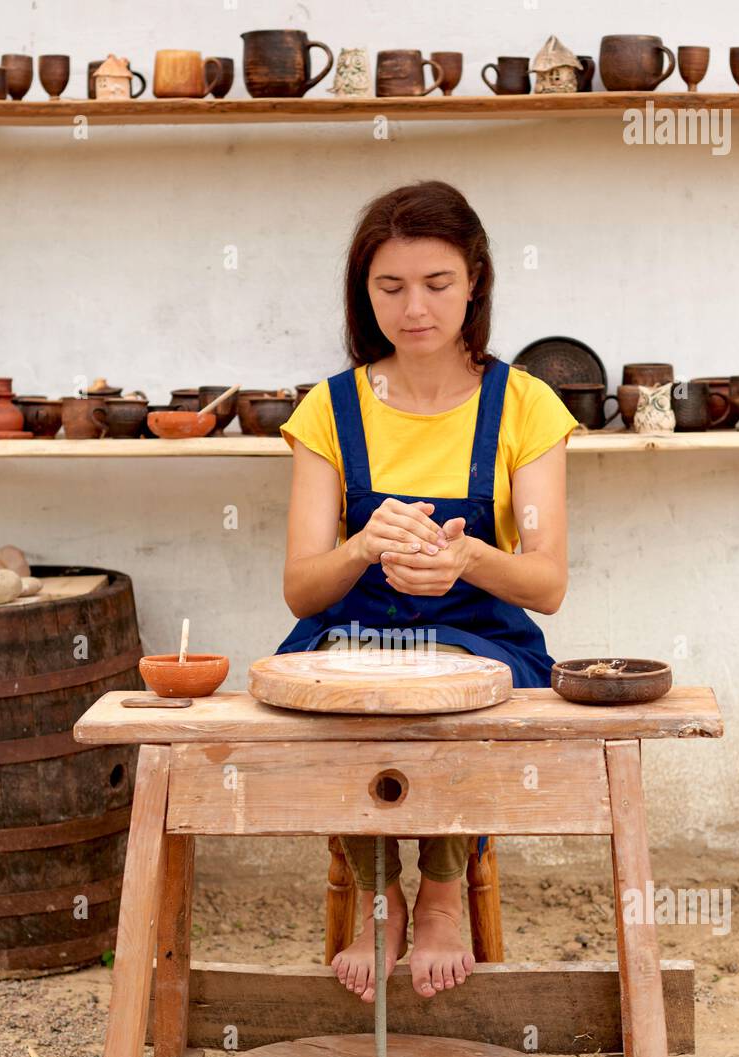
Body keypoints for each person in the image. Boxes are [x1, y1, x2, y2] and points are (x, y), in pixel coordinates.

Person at [274, 180, 577, 1005]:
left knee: (457, 695)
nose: (414, 308)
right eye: (390, 286)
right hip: (354, 636)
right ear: (362, 292)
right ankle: (380, 888)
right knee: (333, 691)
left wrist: (468, 559)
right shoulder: (329, 411)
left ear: (474, 280)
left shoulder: (525, 405)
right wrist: (361, 548)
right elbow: (303, 589)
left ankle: (442, 885)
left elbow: (546, 582)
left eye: (437, 284)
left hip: (484, 636)